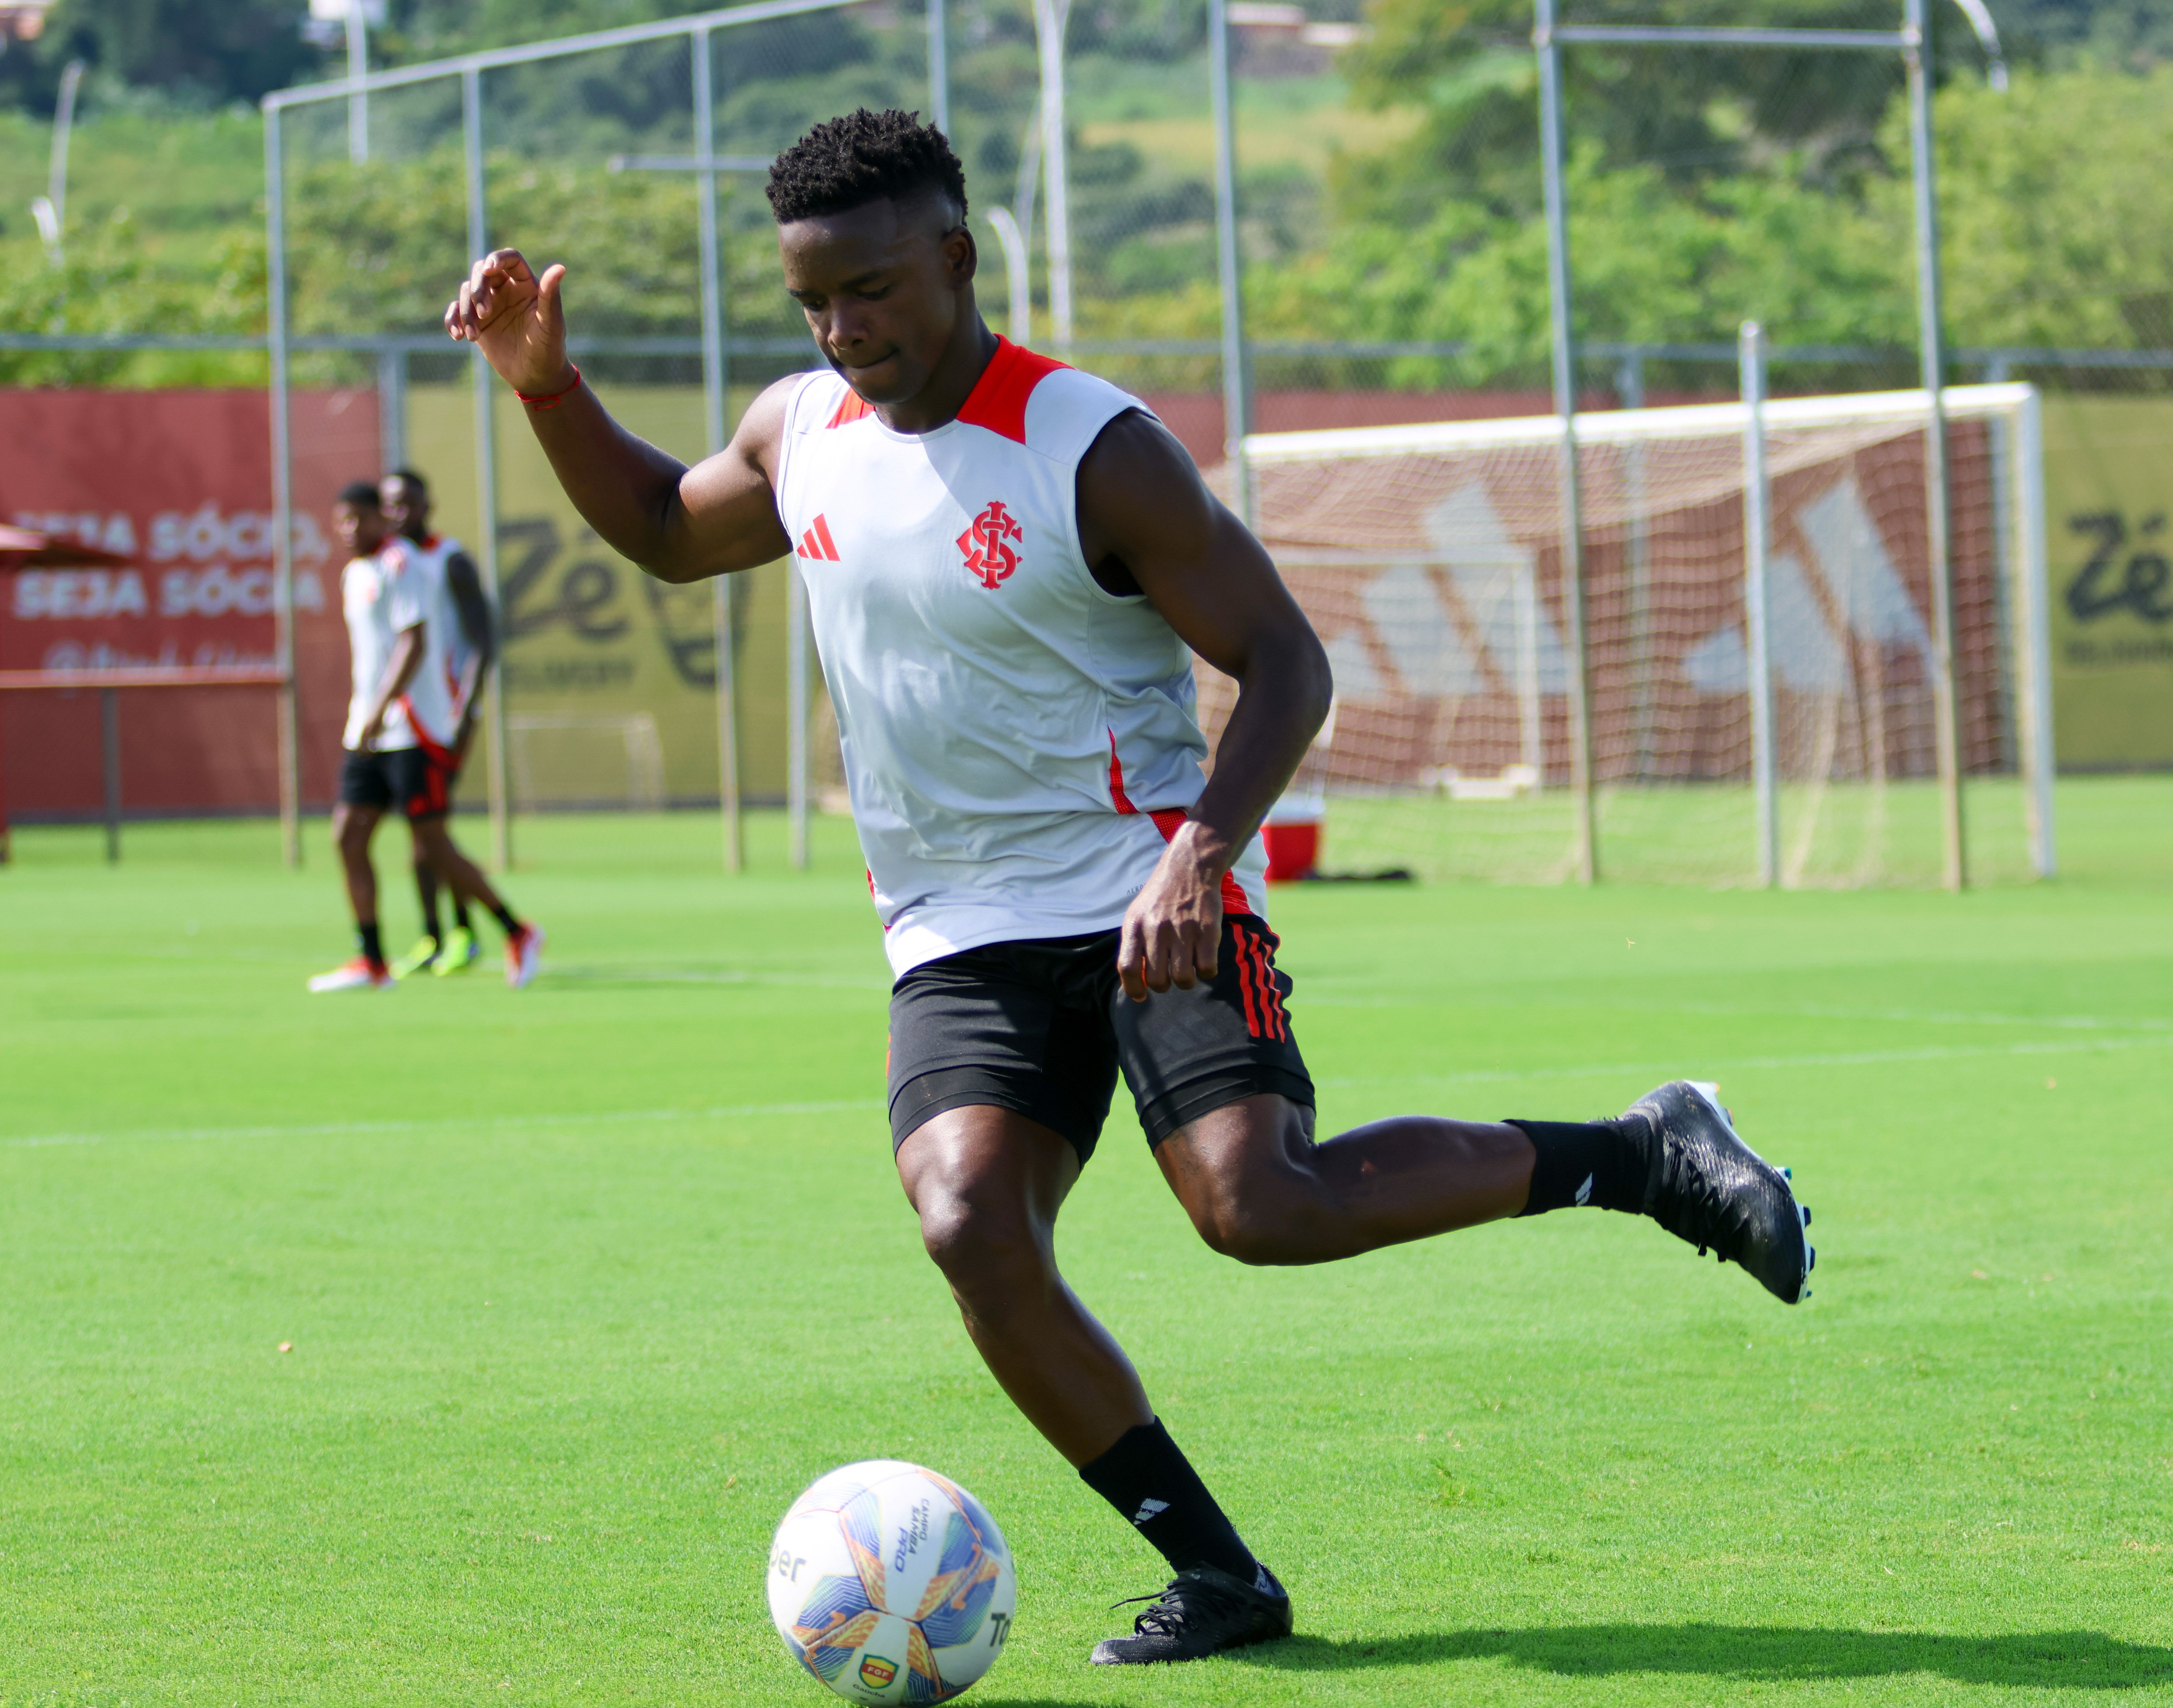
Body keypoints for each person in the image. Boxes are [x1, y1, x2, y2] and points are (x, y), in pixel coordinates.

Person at [443, 109, 1812, 1663]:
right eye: (815, 301)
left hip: (1144, 887)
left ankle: (1640, 1152)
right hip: (955, 930)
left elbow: (1286, 660)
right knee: (970, 1221)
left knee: (1259, 1207)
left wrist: (1201, 850)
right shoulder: (799, 428)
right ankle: (1221, 1578)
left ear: (955, 259)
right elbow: (657, 533)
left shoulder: (1091, 444)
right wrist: (546, 388)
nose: (845, 327)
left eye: (875, 288)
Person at [308, 481, 545, 995]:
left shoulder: (406, 566)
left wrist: (382, 709)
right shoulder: (356, 573)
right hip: (367, 729)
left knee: (431, 846)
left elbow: (413, 644)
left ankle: (517, 930)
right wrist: (365, 716)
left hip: (413, 729)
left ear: (379, 520)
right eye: (341, 520)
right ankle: (371, 959)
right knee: (348, 836)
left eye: (360, 518)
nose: (350, 529)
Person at [379, 468, 496, 978]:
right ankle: (433, 935)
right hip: (405, 719)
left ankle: (462, 933)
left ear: (428, 505)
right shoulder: (387, 565)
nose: (399, 513)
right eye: (390, 505)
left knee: (432, 832)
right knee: (421, 833)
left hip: (444, 718)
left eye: (408, 502)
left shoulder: (449, 559)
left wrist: (466, 709)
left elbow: (484, 638)